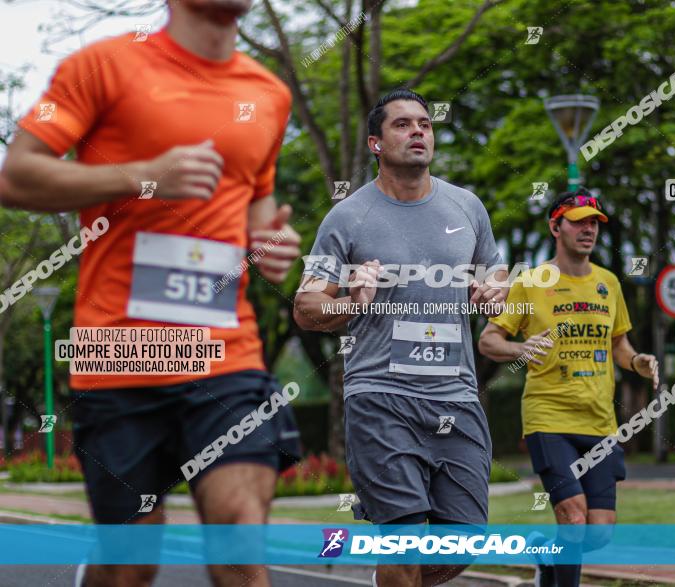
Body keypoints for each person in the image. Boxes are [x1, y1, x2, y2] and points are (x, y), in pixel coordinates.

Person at [0, 1, 301, 585]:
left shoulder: (268, 92)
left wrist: (272, 243)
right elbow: (16, 176)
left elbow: (257, 204)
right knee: (130, 567)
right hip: (119, 353)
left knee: (239, 541)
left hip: (225, 352)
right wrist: (142, 176)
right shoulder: (104, 66)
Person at [294, 88, 507, 586]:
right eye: (403, 124)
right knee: (404, 536)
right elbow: (306, 306)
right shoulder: (347, 218)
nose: (418, 131)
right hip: (380, 396)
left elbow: (497, 273)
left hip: (455, 394)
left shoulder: (467, 207)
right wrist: (350, 302)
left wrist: (492, 290)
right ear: (375, 142)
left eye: (425, 124)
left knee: (466, 541)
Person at [478, 189, 659, 587]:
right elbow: (489, 340)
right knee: (574, 518)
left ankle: (546, 554)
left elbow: (619, 345)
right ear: (555, 226)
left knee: (599, 532)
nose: (588, 229)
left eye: (593, 222)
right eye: (578, 220)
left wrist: (638, 361)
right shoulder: (531, 283)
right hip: (549, 416)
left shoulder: (608, 283)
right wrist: (520, 347)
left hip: (600, 422)